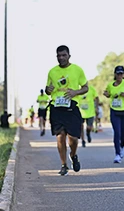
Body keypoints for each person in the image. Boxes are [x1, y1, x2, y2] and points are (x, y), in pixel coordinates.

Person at [45, 45, 88, 176]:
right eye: (59, 55)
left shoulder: (77, 70)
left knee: (73, 138)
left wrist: (76, 92)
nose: (61, 58)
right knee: (60, 136)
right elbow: (47, 89)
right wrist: (48, 90)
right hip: (56, 108)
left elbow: (86, 87)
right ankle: (64, 165)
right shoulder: (52, 72)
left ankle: (73, 155)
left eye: (64, 55)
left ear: (69, 55)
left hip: (71, 107)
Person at [103, 65, 124, 163]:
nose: (119, 75)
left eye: (121, 74)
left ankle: (122, 146)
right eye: (118, 74)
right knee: (116, 133)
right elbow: (107, 92)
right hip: (114, 111)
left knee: (123, 134)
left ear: (123, 74)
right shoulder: (111, 85)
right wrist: (107, 94)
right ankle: (117, 154)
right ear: (115, 74)